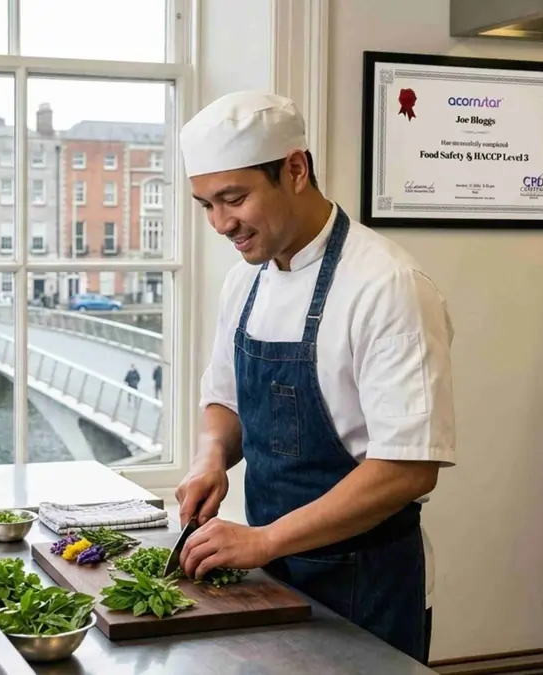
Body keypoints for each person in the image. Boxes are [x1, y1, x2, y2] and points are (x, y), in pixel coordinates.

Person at [173, 91, 456, 664]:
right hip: (271, 572)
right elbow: (223, 397)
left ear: (295, 169)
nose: (221, 223)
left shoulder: (388, 285)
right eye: (206, 204)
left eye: (234, 198)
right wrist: (211, 458)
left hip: (365, 584)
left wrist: (264, 540)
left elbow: (408, 468)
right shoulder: (245, 281)